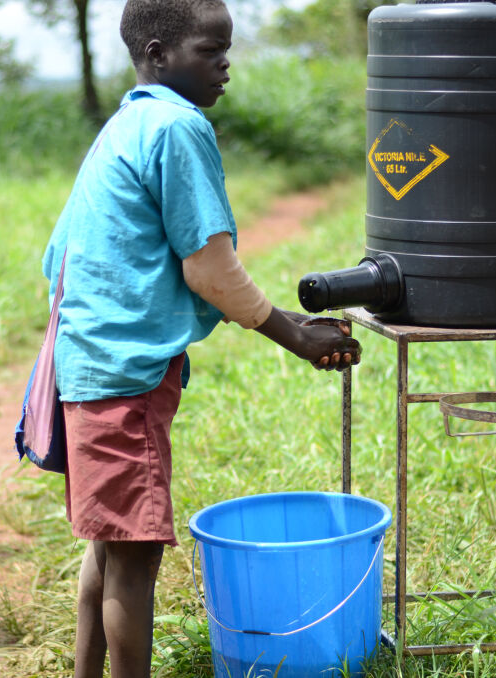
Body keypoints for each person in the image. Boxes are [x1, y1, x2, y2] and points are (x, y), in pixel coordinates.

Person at [40, 1, 362, 676]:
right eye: (210, 51)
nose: (225, 66)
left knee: (107, 545)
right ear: (158, 54)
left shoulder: (123, 125)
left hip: (87, 365)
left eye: (226, 51)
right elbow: (208, 267)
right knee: (134, 558)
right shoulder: (178, 127)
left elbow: (59, 257)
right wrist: (294, 337)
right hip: (125, 377)